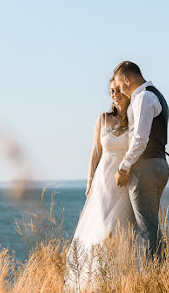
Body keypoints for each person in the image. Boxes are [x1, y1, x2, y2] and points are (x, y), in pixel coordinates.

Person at [65, 77, 135, 290]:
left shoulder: (133, 119)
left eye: (118, 90)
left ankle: (119, 279)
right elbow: (95, 152)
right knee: (102, 225)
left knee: (120, 226)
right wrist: (89, 182)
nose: (114, 94)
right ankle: (95, 279)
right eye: (111, 91)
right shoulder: (103, 119)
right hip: (103, 181)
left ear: (126, 91)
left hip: (124, 181)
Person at [113, 61, 169, 257]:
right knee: (150, 226)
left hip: (145, 168)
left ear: (127, 80)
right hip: (159, 164)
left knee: (147, 230)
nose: (121, 91)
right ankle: (157, 271)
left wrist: (123, 167)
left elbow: (139, 139)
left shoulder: (143, 98)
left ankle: (155, 277)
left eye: (120, 86)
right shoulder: (156, 95)